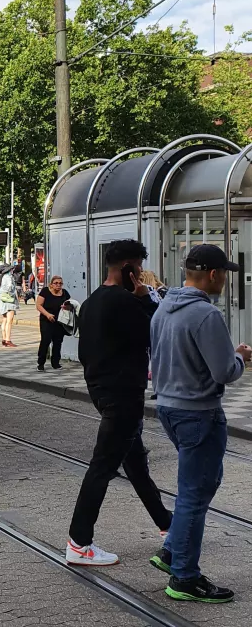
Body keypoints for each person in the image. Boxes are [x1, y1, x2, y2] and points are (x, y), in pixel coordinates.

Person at [148, 244, 249, 603]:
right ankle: (185, 578)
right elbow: (224, 371)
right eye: (224, 273)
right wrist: (240, 357)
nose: (225, 279)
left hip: (170, 410)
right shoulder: (206, 316)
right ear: (212, 275)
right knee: (195, 493)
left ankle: (172, 551)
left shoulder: (163, 309)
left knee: (201, 484)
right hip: (198, 412)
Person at [66, 239, 171, 566]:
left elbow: (85, 353)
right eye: (138, 269)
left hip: (102, 390)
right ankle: (79, 542)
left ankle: (168, 525)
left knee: (135, 463)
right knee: (103, 465)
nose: (141, 276)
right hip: (122, 395)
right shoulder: (124, 302)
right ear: (127, 269)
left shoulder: (93, 301)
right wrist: (146, 300)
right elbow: (158, 332)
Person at [36, 275, 70, 371]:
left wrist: (67, 307)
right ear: (51, 284)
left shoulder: (64, 293)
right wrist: (47, 314)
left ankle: (55, 363)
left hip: (59, 321)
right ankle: (41, 363)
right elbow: (38, 305)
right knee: (46, 340)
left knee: (58, 341)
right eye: (56, 283)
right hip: (46, 320)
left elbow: (69, 303)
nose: (58, 285)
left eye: (60, 283)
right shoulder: (45, 291)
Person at [0, 265, 19, 347]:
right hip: (9, 300)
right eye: (11, 269)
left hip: (2, 300)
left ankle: (4, 338)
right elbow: (10, 287)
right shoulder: (8, 277)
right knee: (10, 320)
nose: (12, 270)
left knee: (4, 319)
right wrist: (13, 294)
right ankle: (8, 339)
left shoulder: (0, 277)